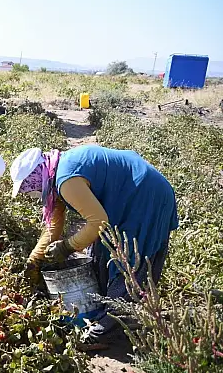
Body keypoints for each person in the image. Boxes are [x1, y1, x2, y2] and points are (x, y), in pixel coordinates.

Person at [10, 145, 178, 345]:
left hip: (145, 196)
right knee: (101, 251)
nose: (31, 194)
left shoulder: (66, 180)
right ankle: (105, 310)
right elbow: (53, 225)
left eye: (28, 188)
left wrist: (67, 247)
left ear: (35, 178)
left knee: (129, 260)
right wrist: (34, 261)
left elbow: (98, 222)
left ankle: (106, 330)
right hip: (133, 194)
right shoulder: (55, 173)